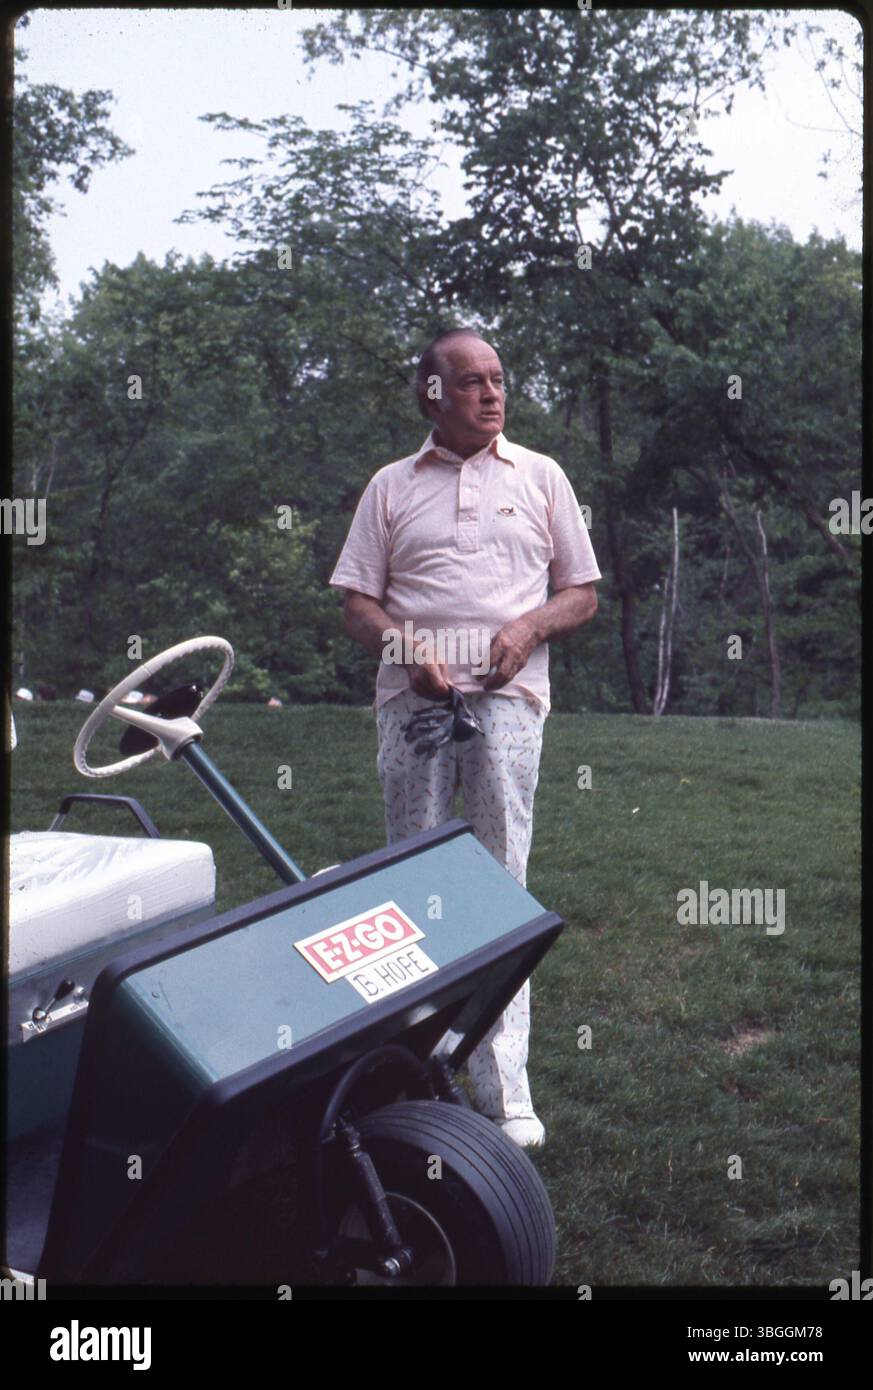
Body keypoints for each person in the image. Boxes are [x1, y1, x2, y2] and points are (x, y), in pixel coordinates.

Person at [329, 327, 601, 1147]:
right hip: (411, 705)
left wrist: (527, 628)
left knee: (498, 886)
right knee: (408, 886)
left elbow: (581, 593)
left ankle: (503, 1090)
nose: (491, 393)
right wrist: (402, 649)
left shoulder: (541, 476)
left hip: (508, 701)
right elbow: (356, 602)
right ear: (432, 395)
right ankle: (409, 1072)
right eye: (472, 381)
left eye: (498, 379)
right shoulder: (389, 486)